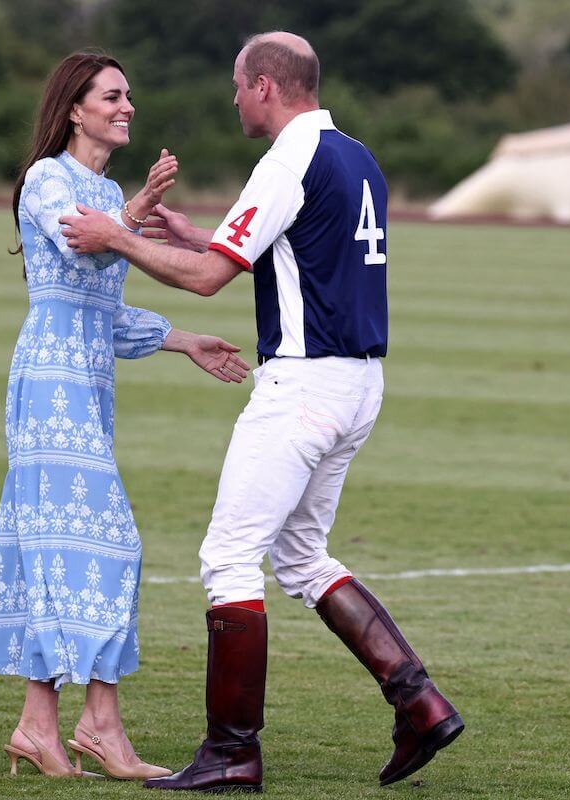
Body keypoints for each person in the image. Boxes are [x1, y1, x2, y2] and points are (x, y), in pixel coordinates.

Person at [59, 32, 463, 792]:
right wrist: (189, 234)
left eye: (238, 85)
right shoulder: (355, 154)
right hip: (359, 384)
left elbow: (210, 279)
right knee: (302, 558)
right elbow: (296, 258)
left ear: (268, 87)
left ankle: (231, 752)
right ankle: (421, 704)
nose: (234, 97)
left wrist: (116, 236)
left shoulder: (286, 160)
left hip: (304, 388)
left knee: (228, 559)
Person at [0, 51, 251, 782]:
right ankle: (100, 729)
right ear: (75, 108)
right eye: (112, 96)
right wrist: (138, 211)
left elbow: (107, 311)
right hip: (49, 385)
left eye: (129, 97)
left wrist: (185, 342)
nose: (127, 107)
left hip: (86, 384)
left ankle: (39, 729)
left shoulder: (107, 188)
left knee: (52, 554)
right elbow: (82, 249)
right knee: (110, 545)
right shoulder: (48, 178)